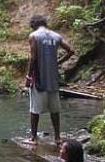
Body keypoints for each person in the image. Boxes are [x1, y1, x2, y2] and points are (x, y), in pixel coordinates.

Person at [25, 15, 75, 145]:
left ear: (33, 25)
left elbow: (33, 58)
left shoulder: (34, 36)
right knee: (55, 109)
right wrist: (57, 62)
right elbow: (71, 50)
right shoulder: (56, 36)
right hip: (53, 79)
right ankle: (57, 137)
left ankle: (33, 138)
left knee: (34, 109)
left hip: (39, 78)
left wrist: (29, 76)